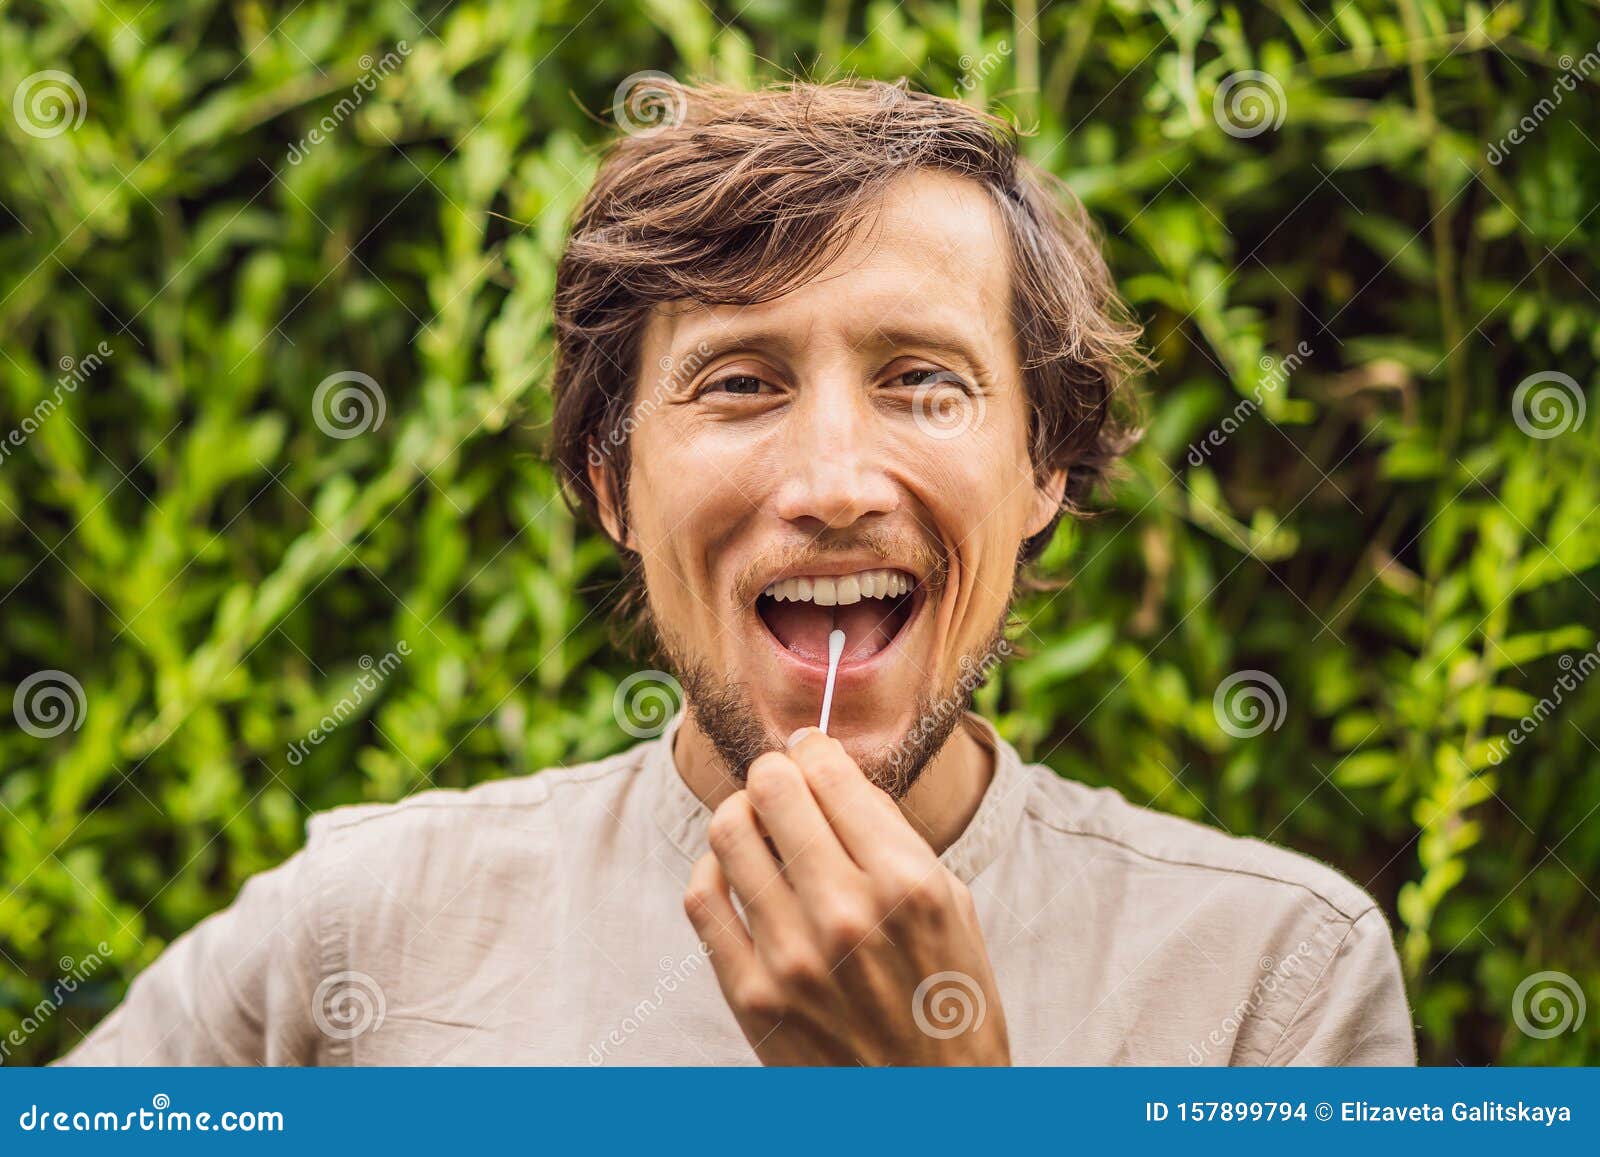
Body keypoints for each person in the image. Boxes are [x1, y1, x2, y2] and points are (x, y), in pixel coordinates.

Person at [62, 79, 1414, 1066]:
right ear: (612, 484)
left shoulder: (1274, 984)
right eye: (740, 382)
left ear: (1042, 468)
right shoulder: (360, 926)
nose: (831, 482)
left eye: (923, 383)